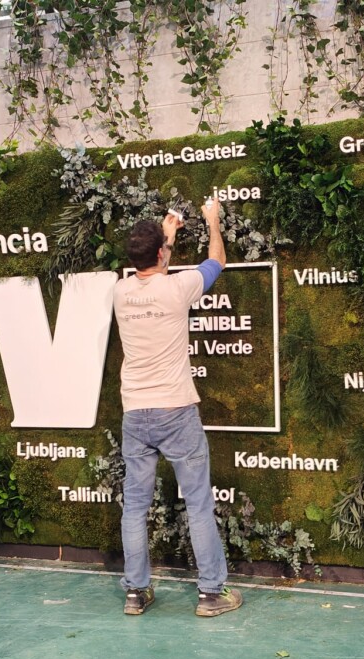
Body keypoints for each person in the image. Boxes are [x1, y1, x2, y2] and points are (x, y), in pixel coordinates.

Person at [112, 197, 242, 618]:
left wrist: (165, 237)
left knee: (135, 506)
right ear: (162, 254)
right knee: (199, 503)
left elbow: (153, 271)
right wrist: (213, 222)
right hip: (176, 411)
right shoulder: (177, 287)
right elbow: (216, 260)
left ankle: (136, 593)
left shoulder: (121, 292)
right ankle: (210, 595)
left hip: (136, 414)